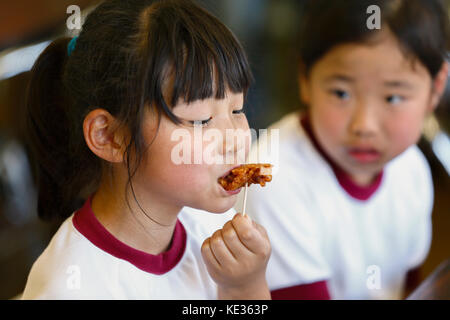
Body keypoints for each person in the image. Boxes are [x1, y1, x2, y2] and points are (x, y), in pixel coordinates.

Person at [22, 0, 271, 299]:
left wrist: (245, 286)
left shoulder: (213, 231)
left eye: (237, 109)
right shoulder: (73, 289)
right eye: (201, 119)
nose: (236, 140)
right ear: (110, 136)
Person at [242, 0, 449, 299]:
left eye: (393, 98)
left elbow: (404, 287)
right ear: (305, 77)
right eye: (341, 93)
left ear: (436, 88)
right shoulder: (270, 177)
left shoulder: (412, 169)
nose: (364, 125)